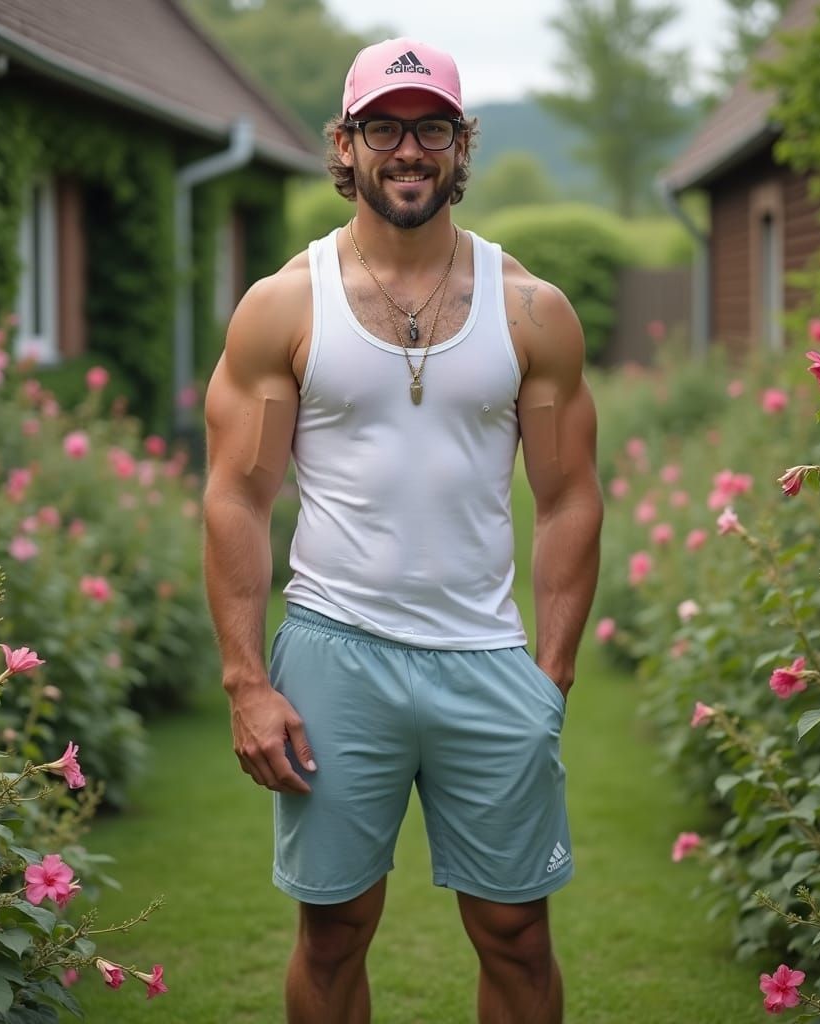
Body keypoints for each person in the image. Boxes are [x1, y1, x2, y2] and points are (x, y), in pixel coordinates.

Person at [202, 36, 603, 1024]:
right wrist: (247, 680)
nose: (408, 149)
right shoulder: (283, 307)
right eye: (384, 127)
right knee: (332, 932)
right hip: (337, 657)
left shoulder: (531, 312)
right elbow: (236, 498)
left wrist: (546, 676)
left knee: (516, 933)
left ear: (460, 146)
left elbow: (567, 498)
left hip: (484, 659)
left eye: (430, 128)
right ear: (346, 144)